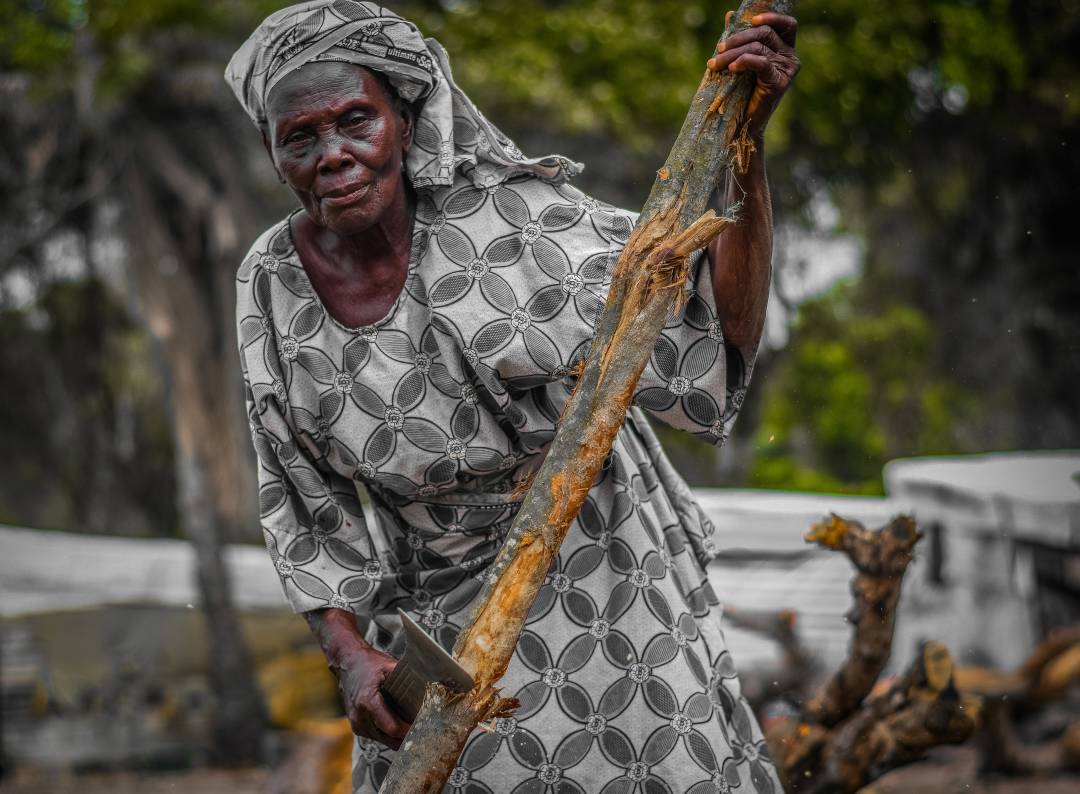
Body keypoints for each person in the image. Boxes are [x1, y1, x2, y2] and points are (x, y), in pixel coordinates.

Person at [226, 2, 797, 791]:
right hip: (434, 620)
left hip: (601, 572)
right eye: (301, 136)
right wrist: (348, 654)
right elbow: (298, 496)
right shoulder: (270, 283)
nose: (333, 153)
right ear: (271, 152)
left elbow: (710, 327)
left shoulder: (506, 223)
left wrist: (747, 147)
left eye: (356, 120)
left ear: (404, 118)